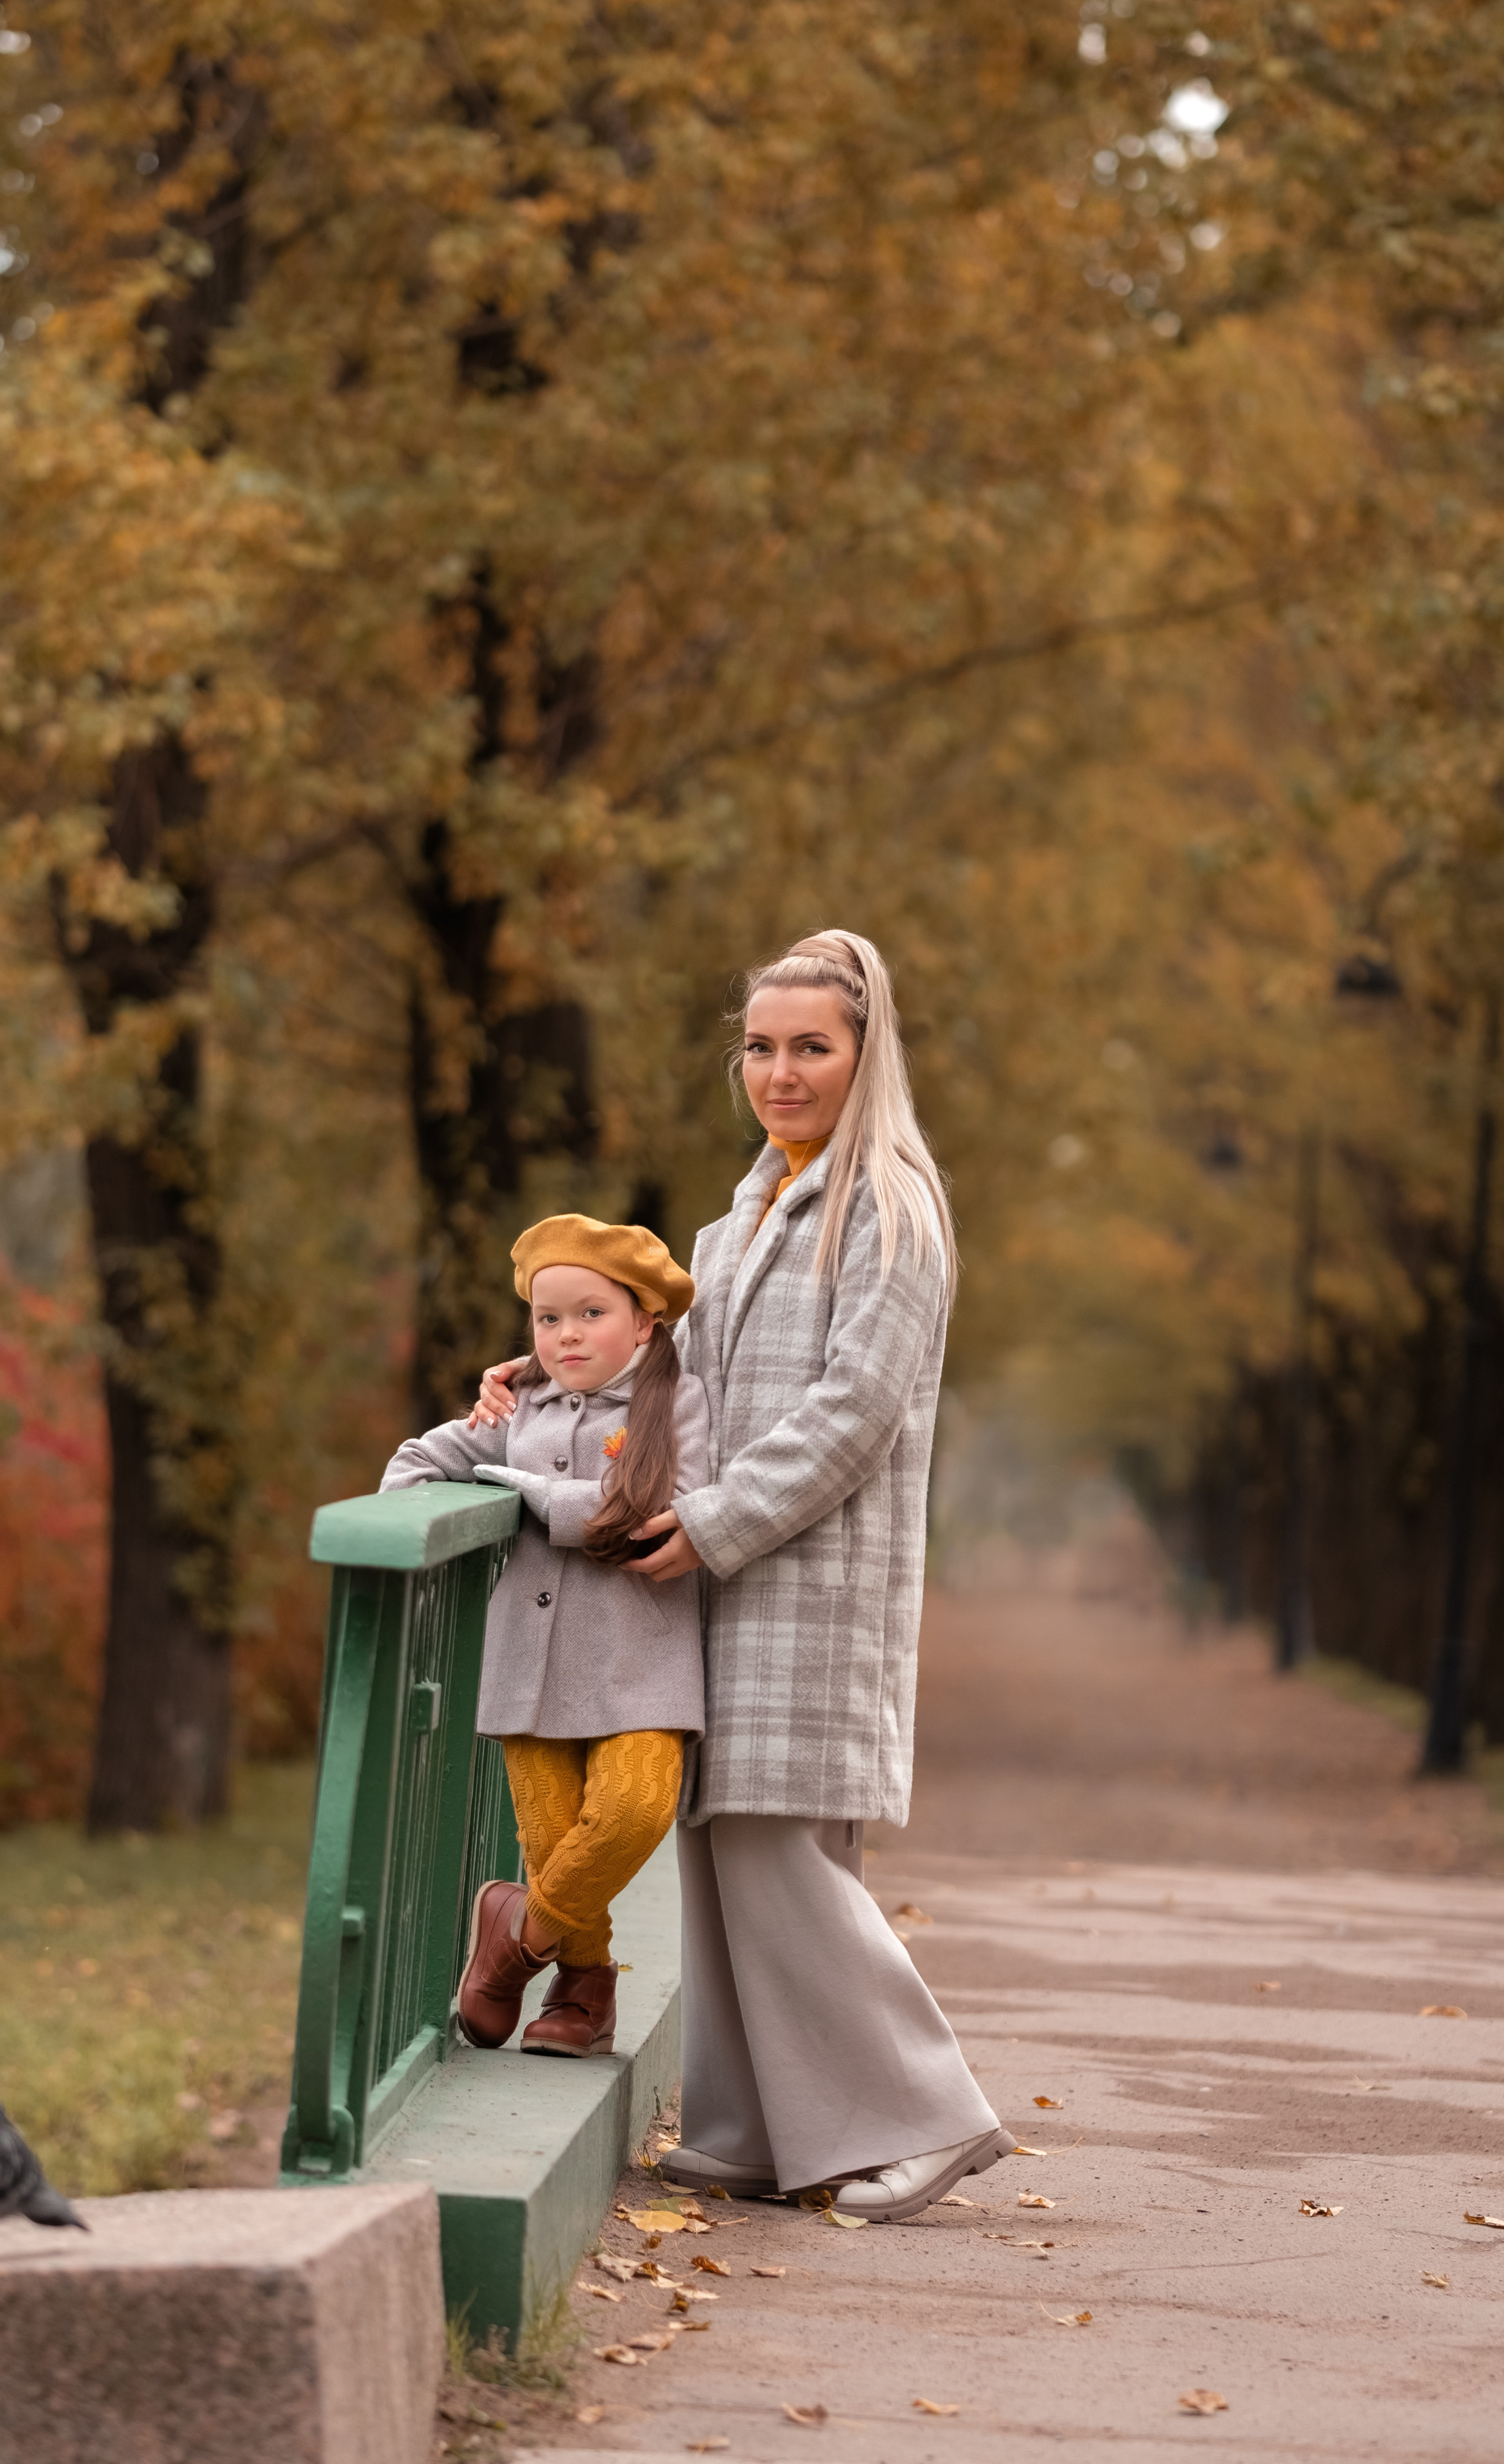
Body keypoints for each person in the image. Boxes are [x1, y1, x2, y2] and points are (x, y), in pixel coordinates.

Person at [474, 932, 1009, 2219]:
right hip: (719, 1577)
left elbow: (855, 1412)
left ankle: (928, 2117)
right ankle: (756, 2128)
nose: (782, 1071)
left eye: (811, 1047)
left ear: (864, 1055)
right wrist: (536, 1378)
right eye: (763, 1047)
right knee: (722, 1851)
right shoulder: (744, 1212)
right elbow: (665, 1371)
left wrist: (714, 1522)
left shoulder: (892, 1210)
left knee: (782, 1855)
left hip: (805, 1575)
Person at [382, 1215, 707, 2060]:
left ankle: (510, 1940)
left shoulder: (680, 1403)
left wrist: (520, 1488)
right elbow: (420, 1461)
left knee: (633, 1810)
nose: (566, 1334)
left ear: (643, 1322)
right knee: (556, 1836)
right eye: (547, 1317)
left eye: (591, 1313)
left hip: (643, 1663)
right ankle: (583, 1993)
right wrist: (410, 1516)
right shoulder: (515, 1405)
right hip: (526, 1668)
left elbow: (654, 1513)